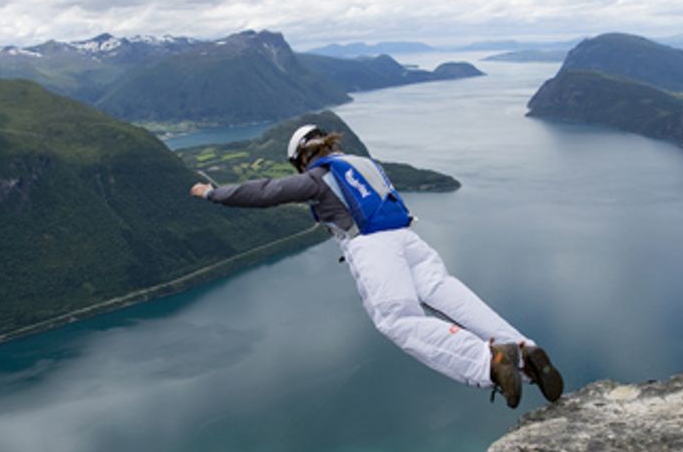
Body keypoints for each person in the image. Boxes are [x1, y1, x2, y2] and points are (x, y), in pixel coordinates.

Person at [189, 125, 564, 408]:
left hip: (373, 246)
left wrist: (213, 194)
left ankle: (489, 363)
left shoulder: (319, 177)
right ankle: (523, 349)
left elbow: (266, 192)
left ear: (302, 157)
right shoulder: (363, 164)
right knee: (447, 295)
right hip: (409, 241)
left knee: (396, 319)